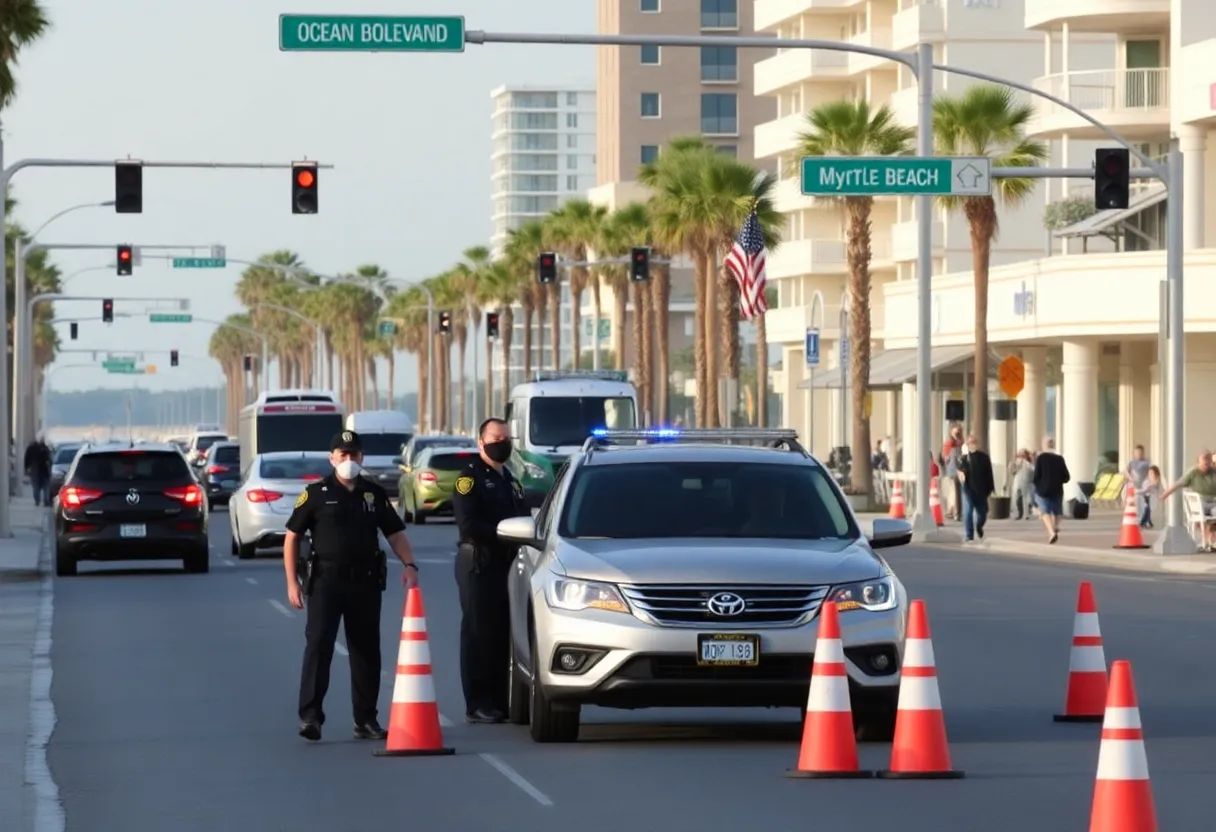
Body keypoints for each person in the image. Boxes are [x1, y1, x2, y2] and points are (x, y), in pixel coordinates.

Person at [283, 429, 420, 742]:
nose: (349, 460)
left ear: (362, 458)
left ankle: (366, 719)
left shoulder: (373, 493)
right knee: (319, 646)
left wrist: (409, 564)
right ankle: (311, 717)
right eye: (342, 455)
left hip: (365, 582)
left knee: (366, 651)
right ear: (332, 458)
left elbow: (395, 533)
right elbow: (292, 537)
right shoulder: (315, 494)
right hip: (325, 582)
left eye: (354, 455)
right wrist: (292, 582)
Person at [451, 417, 531, 724]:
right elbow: (468, 524)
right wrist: (504, 534)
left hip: (507, 564)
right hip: (479, 564)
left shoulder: (509, 478)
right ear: (481, 442)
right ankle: (477, 702)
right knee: (478, 633)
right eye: (496, 438)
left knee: (501, 635)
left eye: (507, 439)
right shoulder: (469, 479)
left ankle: (500, 700)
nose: (503, 444)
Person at [1160, 450, 1216, 550]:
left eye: (1208, 461)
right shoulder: (1193, 473)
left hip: (1213, 502)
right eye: (1204, 461)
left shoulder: (1213, 472)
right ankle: (1206, 537)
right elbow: (1178, 484)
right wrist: (1165, 494)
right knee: (1200, 515)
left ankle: (1211, 538)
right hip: (1199, 503)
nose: (1206, 464)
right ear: (1198, 462)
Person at [1032, 436, 1071, 544]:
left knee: (1045, 512)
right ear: (1053, 445)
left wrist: (1037, 485)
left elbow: (1036, 476)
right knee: (1057, 512)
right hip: (1057, 489)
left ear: (1044, 445)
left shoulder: (1040, 458)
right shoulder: (1059, 459)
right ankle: (1055, 526)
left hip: (1043, 490)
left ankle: (1051, 531)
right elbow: (1067, 477)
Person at [958, 434, 995, 542]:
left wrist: (990, 488)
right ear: (967, 444)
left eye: (974, 442)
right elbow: (960, 470)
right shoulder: (963, 457)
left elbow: (989, 473)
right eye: (970, 443)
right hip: (967, 489)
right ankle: (969, 535)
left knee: (982, 514)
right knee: (968, 511)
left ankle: (979, 526)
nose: (972, 445)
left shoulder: (984, 457)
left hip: (981, 490)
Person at [24, 436, 51, 506]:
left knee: (37, 486)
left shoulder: (32, 448)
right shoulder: (44, 448)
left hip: (37, 470)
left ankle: (39, 500)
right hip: (41, 470)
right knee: (43, 486)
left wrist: (27, 467)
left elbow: (27, 458)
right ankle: (44, 500)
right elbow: (49, 459)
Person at [1009, 449, 1035, 520]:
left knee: (1025, 498)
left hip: (1026, 482)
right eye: (1020, 454)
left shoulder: (1028, 463)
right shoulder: (1017, 462)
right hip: (1017, 481)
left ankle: (1026, 514)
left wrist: (1032, 460)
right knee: (1016, 498)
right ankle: (1018, 513)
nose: (1021, 456)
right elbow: (1011, 470)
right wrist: (1013, 461)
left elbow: (1033, 470)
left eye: (1023, 454)